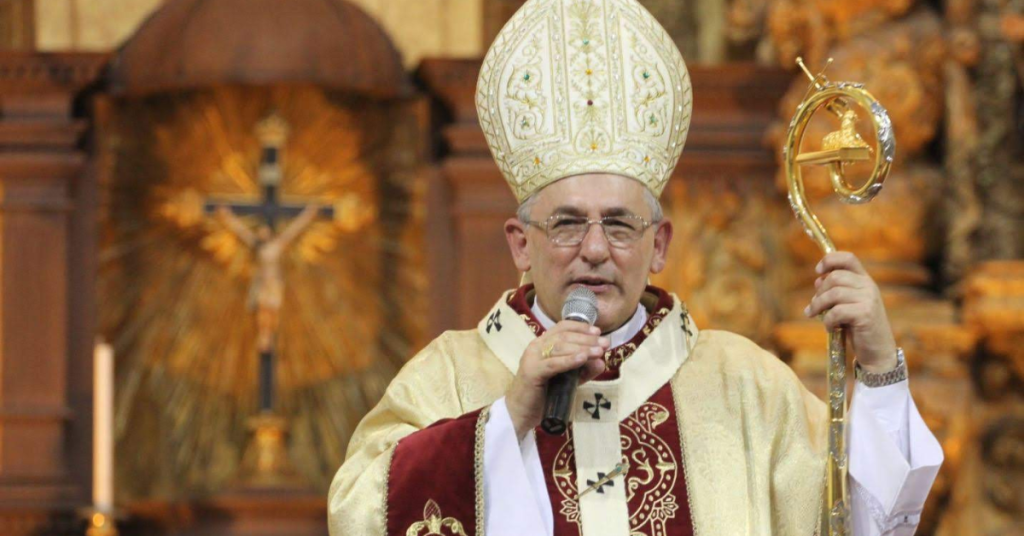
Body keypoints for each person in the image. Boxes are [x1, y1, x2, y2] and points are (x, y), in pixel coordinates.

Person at [328, 1, 943, 534]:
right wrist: (508, 418)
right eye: (567, 224)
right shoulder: (448, 376)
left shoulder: (748, 387)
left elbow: (864, 524)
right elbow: (358, 514)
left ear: (660, 245)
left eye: (620, 225)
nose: (595, 249)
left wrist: (879, 365)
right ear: (520, 245)